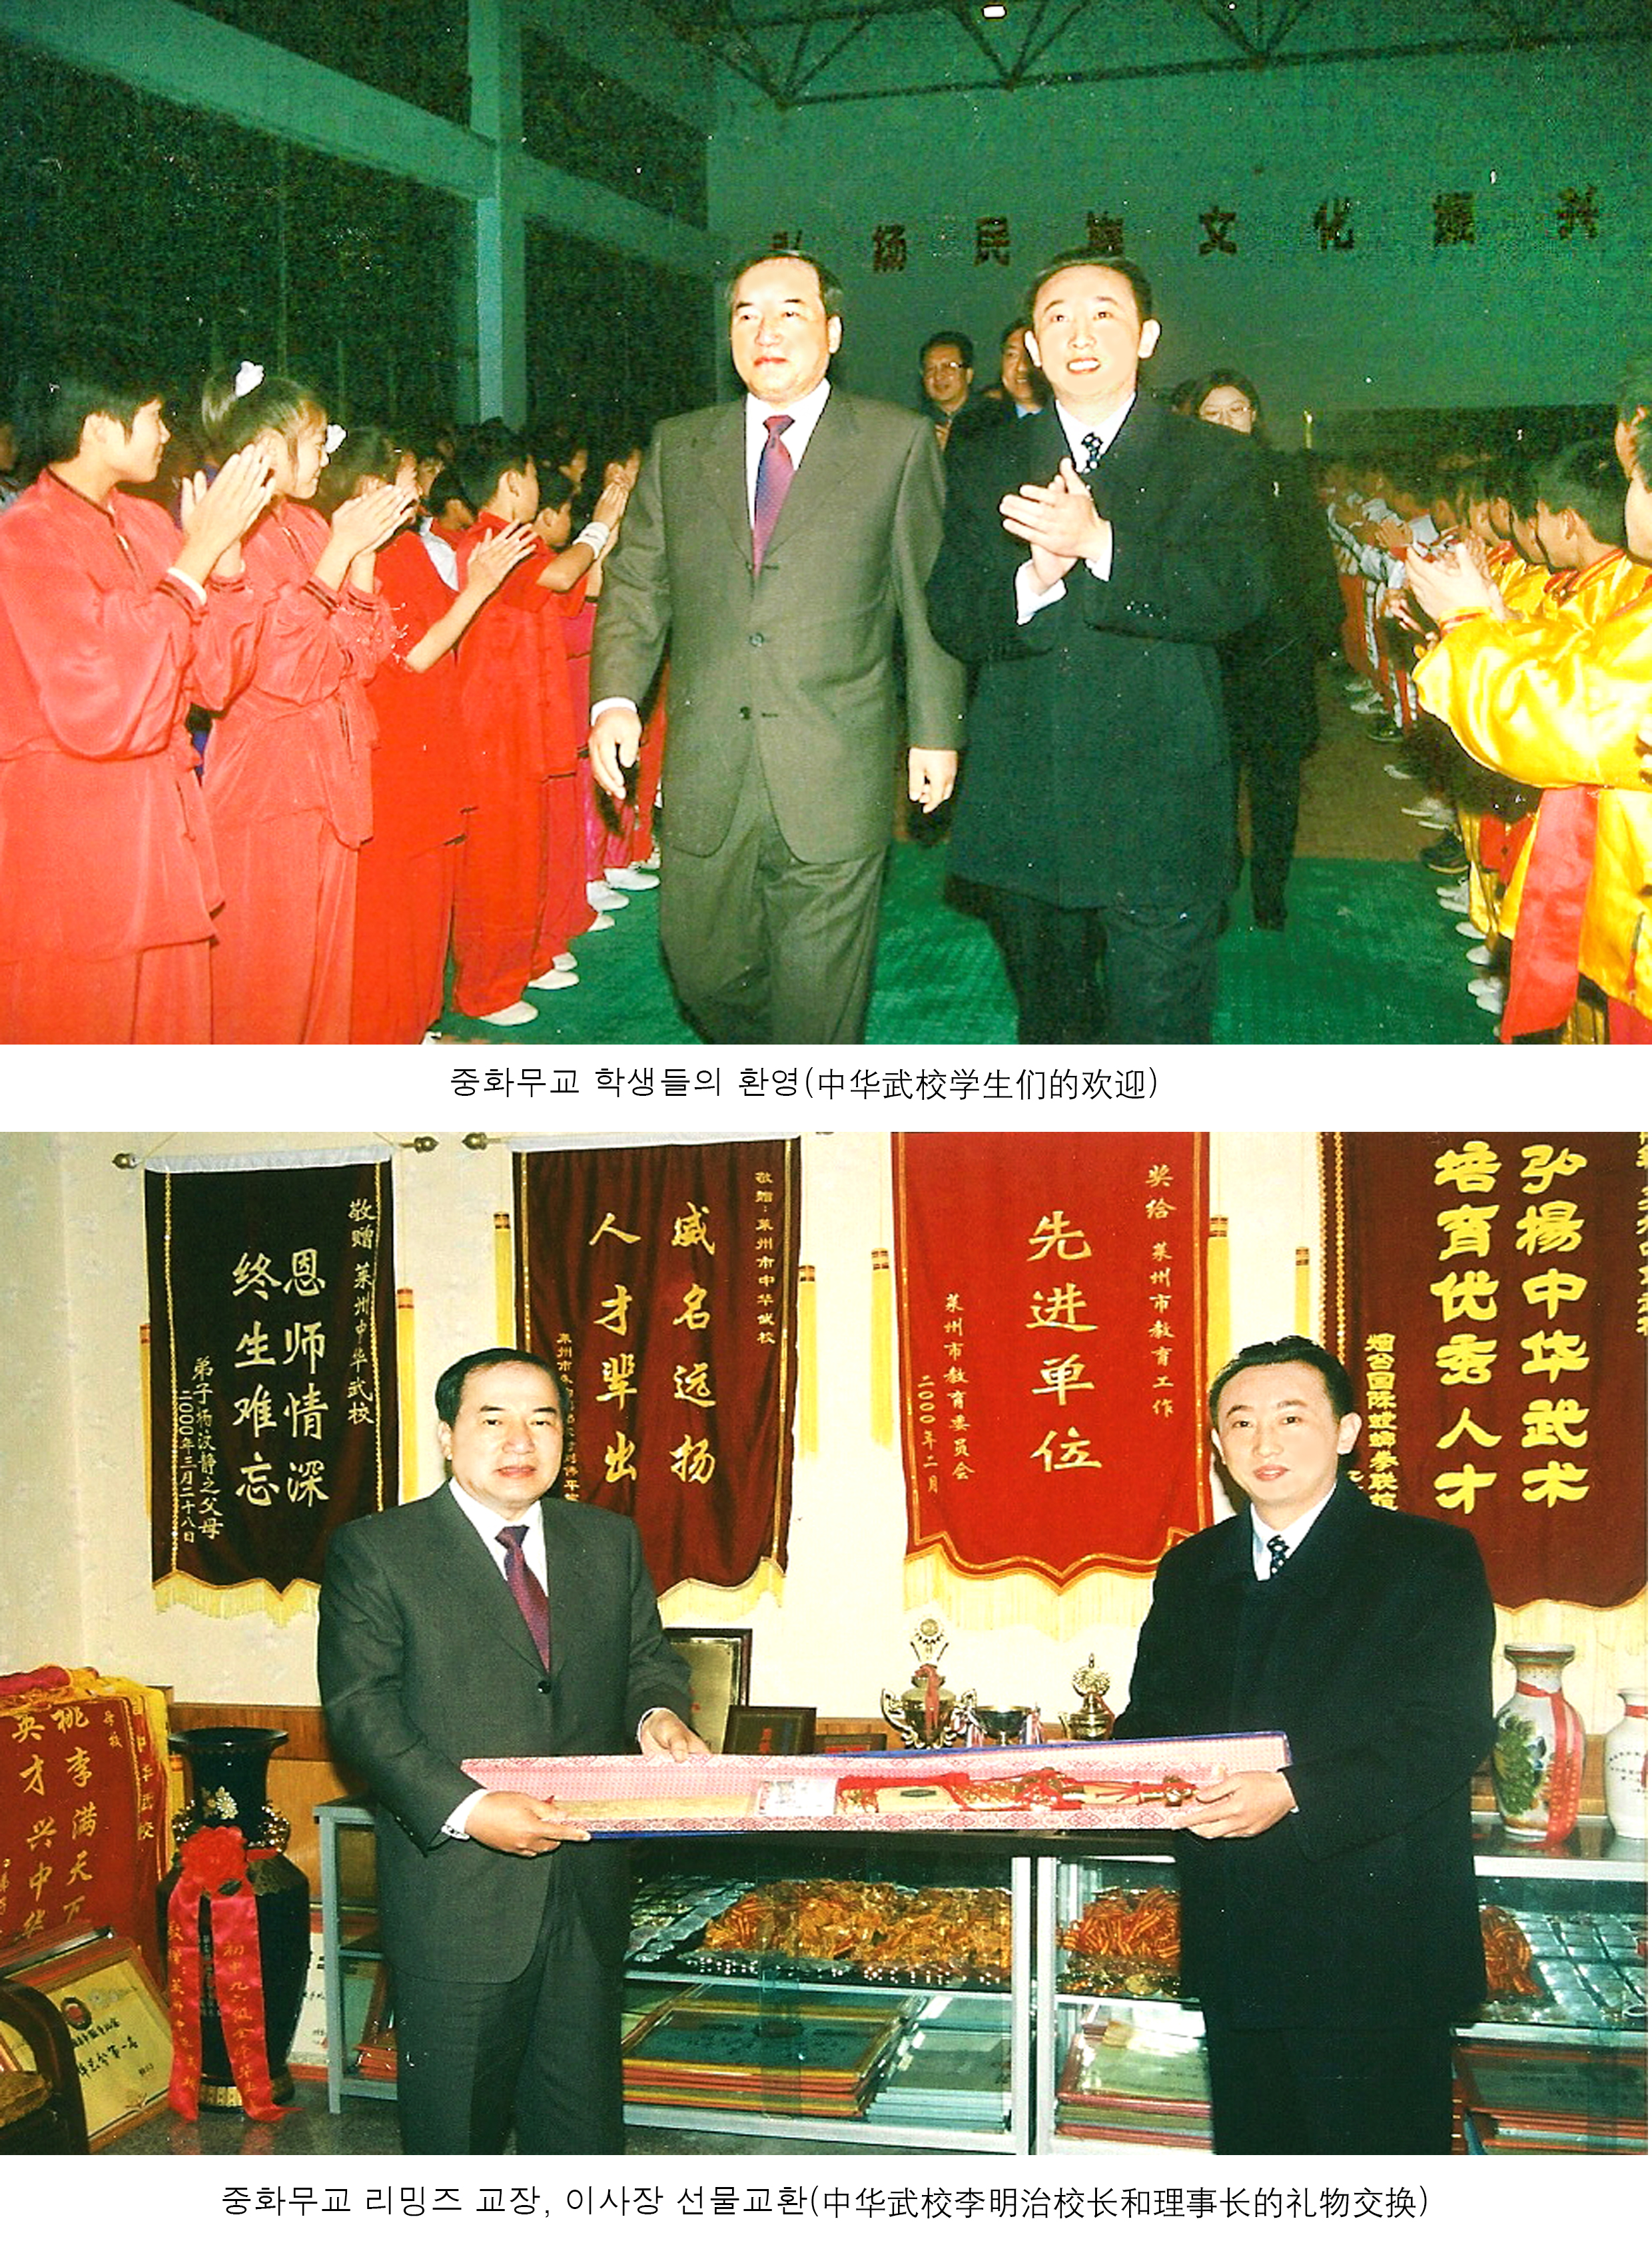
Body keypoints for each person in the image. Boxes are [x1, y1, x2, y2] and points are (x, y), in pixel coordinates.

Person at [1112, 1336, 1495, 2154]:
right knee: (1259, 2181)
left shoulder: (1425, 1557)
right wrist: (1086, 1777)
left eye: (1291, 1417)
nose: (1264, 1441)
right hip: (1237, 1938)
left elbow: (1445, 1731)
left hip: (1375, 1949)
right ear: (1216, 1445)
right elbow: (1150, 1721)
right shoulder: (1191, 1569)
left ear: (1347, 1431)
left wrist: (1292, 1792)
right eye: (1240, 1421)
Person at [317, 1347, 704, 2154]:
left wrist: (657, 1715)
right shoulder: (379, 1549)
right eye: (493, 1419)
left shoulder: (607, 1540)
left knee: (583, 2138)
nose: (520, 1440)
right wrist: (467, 1809)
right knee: (455, 2141)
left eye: (542, 1420)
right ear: (447, 1436)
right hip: (459, 1898)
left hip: (587, 1892)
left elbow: (645, 1660)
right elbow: (360, 1710)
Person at [589, 250, 965, 1045]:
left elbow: (925, 598)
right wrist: (615, 698)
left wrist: (935, 730)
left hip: (835, 760)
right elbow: (638, 582)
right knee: (701, 969)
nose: (766, 331)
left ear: (833, 331)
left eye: (790, 311)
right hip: (709, 764)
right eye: (746, 313)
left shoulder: (895, 444)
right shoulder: (679, 445)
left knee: (819, 1003)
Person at [926, 252, 1269, 1043]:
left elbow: (1237, 595)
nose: (1079, 335)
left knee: (1159, 1037)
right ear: (1031, 349)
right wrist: (1034, 580)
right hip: (1029, 799)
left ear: (1146, 337)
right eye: (1057, 319)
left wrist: (1100, 543)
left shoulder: (1215, 458)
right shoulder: (984, 460)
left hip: (1163, 801)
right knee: (1053, 1034)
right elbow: (952, 614)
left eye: (1103, 314)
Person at [0, 361, 274, 1042]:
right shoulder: (27, 535)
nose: (166, 433)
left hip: (162, 826)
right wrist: (196, 556)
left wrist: (225, 566)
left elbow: (214, 681)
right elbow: (102, 706)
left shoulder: (147, 521)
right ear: (98, 427)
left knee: (170, 1035)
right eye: (153, 416)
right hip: (80, 840)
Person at [198, 367, 410, 1043]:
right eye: (316, 443)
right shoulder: (232, 535)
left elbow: (362, 655)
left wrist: (362, 556)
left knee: (324, 989)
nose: (326, 456)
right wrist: (342, 553)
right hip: (269, 791)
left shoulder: (309, 523)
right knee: (269, 994)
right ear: (268, 447)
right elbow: (286, 672)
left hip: (330, 780)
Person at [1190, 368, 1342, 929]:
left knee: (1277, 782)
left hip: (1278, 654)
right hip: (1213, 654)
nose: (1226, 422)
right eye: (1212, 413)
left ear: (1254, 415)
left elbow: (1314, 557)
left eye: (1236, 410)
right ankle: (1219, 878)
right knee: (1214, 781)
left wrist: (1319, 633)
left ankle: (1270, 890)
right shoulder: (1184, 478)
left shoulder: (1285, 475)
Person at [919, 328, 975, 447]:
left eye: (949, 367)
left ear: (968, 375)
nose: (939, 376)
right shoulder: (914, 422)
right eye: (930, 369)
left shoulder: (996, 418)